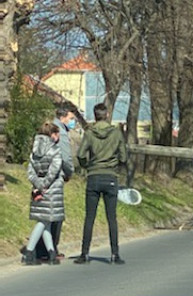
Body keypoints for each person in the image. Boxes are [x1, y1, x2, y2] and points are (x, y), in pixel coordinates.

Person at [74, 103, 128, 265]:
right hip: (110, 176)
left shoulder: (90, 133)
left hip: (94, 176)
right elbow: (124, 157)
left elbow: (81, 154)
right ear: (106, 114)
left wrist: (87, 166)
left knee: (90, 217)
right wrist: (116, 164)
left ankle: (84, 254)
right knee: (112, 218)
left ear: (95, 115)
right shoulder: (116, 133)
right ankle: (115, 254)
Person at [34, 106, 76, 261]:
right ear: (63, 117)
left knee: (44, 212)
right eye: (71, 118)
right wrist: (69, 172)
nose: (73, 122)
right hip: (55, 176)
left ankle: (41, 248)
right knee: (55, 214)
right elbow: (65, 157)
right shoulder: (60, 132)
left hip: (42, 174)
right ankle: (50, 248)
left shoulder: (46, 128)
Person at [22, 122, 65, 265]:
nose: (58, 137)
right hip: (51, 189)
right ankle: (29, 252)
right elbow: (54, 170)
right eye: (57, 133)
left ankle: (51, 252)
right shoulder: (55, 150)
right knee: (43, 221)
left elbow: (30, 171)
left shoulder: (34, 150)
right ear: (52, 134)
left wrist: (38, 185)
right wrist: (44, 185)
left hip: (37, 189)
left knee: (46, 220)